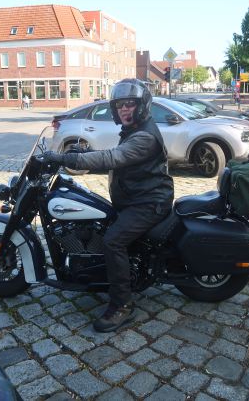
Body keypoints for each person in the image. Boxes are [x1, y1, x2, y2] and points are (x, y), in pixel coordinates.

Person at [43, 79, 174, 332]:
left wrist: (65, 158)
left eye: (130, 104)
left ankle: (122, 305)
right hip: (137, 198)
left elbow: (112, 157)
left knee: (113, 241)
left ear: (142, 106)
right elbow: (115, 155)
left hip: (149, 203)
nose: (124, 109)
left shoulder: (145, 136)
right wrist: (82, 153)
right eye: (120, 105)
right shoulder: (135, 129)